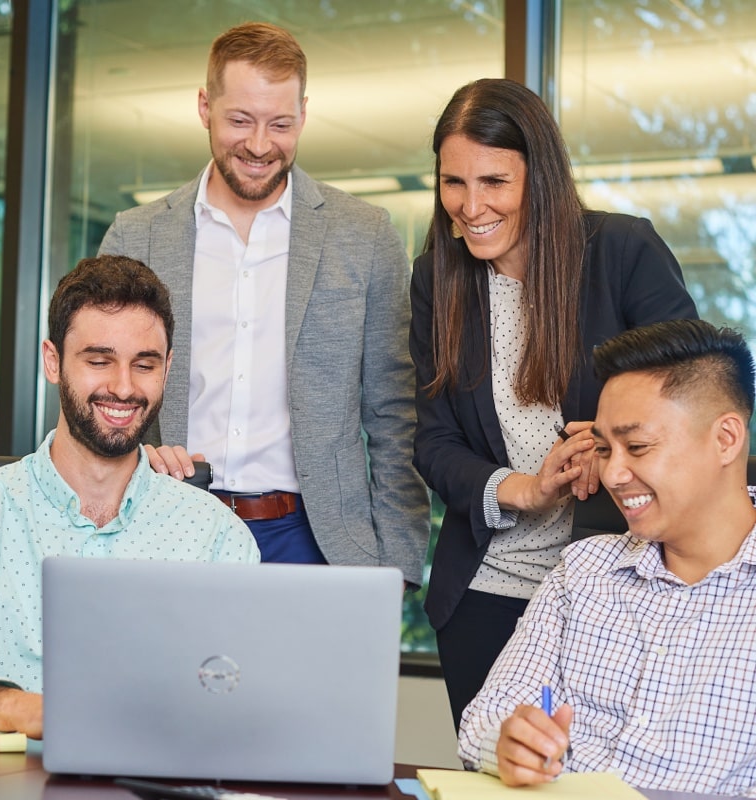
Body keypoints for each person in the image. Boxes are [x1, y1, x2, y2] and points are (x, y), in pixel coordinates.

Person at [409, 77, 699, 728]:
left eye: (494, 182)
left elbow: (693, 393)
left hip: (617, 585)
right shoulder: (437, 279)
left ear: (538, 179)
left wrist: (610, 440)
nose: (470, 205)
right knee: (495, 777)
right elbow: (431, 440)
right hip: (486, 594)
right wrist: (523, 490)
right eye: (453, 182)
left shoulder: (623, 254)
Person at [98, 22, 429, 585]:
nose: (258, 145)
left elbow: (395, 413)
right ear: (205, 107)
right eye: (239, 121)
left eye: (280, 124)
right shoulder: (137, 237)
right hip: (167, 526)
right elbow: (99, 389)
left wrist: (396, 564)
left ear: (303, 112)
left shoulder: (364, 236)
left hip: (315, 539)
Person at [0, 255, 259, 739]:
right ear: (53, 362)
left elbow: (249, 697)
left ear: (168, 368)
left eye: (144, 365)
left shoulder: (217, 535)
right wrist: (23, 710)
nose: (123, 387)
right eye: (99, 361)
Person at [459, 318, 756, 795]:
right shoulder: (582, 571)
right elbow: (486, 718)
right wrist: (507, 745)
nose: (614, 474)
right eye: (603, 448)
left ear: (725, 439)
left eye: (636, 447)